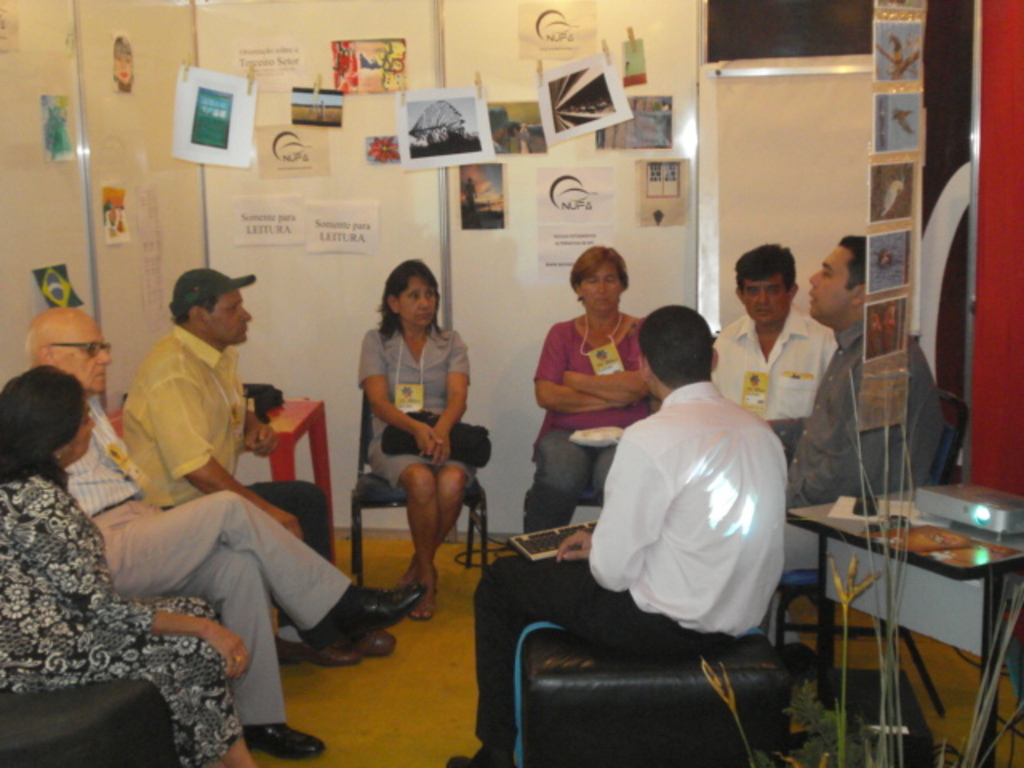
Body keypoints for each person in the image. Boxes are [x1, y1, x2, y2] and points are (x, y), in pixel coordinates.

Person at [27, 307, 425, 758]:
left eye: (104, 347)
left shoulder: (88, 406)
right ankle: (343, 605)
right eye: (90, 349)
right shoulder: (34, 414)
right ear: (48, 354)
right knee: (233, 509)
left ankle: (259, 720)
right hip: (100, 546)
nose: (103, 358)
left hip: (139, 519)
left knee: (240, 568)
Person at [447, 306, 787, 768]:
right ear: (713, 360)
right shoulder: (761, 433)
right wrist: (605, 536)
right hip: (743, 615)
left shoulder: (651, 438)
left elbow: (611, 573)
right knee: (583, 555)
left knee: (502, 581)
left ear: (644, 367)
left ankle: (497, 753)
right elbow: (706, 525)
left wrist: (603, 544)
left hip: (665, 627)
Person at [0, 367, 259, 768]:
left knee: (196, 611)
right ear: (58, 437)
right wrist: (207, 630)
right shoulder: (41, 502)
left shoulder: (20, 485)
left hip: (45, 630)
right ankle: (233, 761)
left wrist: (200, 621)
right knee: (193, 642)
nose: (90, 427)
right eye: (84, 419)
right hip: (36, 654)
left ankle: (209, 755)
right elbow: (101, 610)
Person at [773, 236, 944, 569]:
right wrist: (766, 430)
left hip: (852, 525)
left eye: (826, 273)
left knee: (724, 543)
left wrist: (782, 502)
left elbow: (853, 472)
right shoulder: (852, 348)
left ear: (861, 293)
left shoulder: (885, 362)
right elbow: (823, 432)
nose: (812, 280)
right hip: (821, 509)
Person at [358, 259, 473, 620]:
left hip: (443, 433)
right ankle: (427, 578)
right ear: (394, 303)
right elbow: (378, 401)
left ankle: (418, 564)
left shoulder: (450, 342)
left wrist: (439, 431)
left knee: (453, 481)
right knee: (421, 480)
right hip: (394, 436)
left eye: (430, 295)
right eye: (414, 295)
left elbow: (458, 397)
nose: (425, 303)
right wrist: (416, 429)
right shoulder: (377, 342)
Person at [523, 246, 648, 533]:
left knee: (615, 475)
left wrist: (574, 380)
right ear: (578, 287)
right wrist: (616, 396)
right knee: (562, 471)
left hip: (626, 434)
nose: (601, 289)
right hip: (565, 433)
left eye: (610, 279)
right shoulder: (561, 334)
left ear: (622, 285)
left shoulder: (639, 330)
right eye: (592, 281)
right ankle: (539, 562)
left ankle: (616, 565)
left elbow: (638, 387)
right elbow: (546, 396)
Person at [713, 244, 836, 423]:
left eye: (772, 290)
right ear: (740, 295)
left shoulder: (825, 341)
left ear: (791, 291)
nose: (762, 300)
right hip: (740, 448)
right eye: (753, 291)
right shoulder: (725, 343)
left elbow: (835, 416)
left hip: (799, 450)